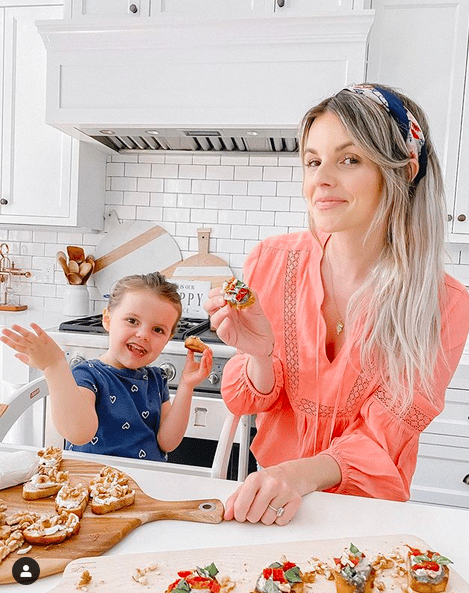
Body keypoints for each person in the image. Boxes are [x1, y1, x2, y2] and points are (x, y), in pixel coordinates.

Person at [204, 83, 469, 525]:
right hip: (274, 497)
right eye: (312, 161)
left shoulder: (444, 305)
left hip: (362, 511)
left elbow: (383, 440)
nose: (321, 180)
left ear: (404, 169)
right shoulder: (271, 262)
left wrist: (298, 474)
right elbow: (252, 400)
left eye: (349, 159)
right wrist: (259, 354)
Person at [1, 272, 213, 462]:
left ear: (168, 339)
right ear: (108, 320)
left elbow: (168, 442)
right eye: (132, 320)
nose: (143, 335)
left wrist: (186, 386)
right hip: (93, 488)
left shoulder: (157, 379)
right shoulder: (87, 374)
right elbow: (79, 433)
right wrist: (54, 367)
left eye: (158, 329)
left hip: (147, 489)